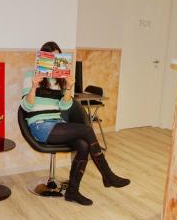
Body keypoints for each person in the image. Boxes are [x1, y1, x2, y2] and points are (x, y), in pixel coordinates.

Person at [21, 41, 130, 206]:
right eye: (51, 57)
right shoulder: (31, 76)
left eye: (58, 57)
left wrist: (69, 87)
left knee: (83, 146)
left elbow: (64, 107)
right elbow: (25, 107)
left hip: (57, 123)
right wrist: (34, 87)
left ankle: (72, 191)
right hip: (40, 125)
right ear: (44, 59)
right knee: (86, 131)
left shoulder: (59, 80)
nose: (54, 60)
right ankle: (107, 175)